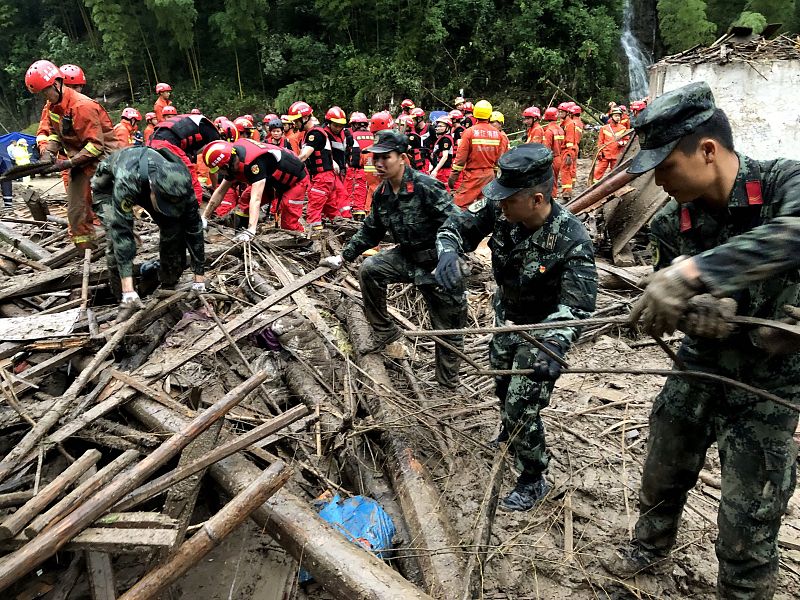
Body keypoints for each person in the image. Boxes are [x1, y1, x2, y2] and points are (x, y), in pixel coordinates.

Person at [603, 81, 800, 600]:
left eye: (665, 166)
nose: (659, 182)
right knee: (662, 471)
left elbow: (795, 233)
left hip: (768, 387)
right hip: (699, 368)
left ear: (707, 150)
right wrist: (690, 310)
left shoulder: (783, 181)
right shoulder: (673, 220)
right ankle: (649, 546)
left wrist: (697, 274)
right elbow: (668, 291)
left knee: (749, 522)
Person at [435, 143, 597, 510]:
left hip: (543, 331)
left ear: (537, 199)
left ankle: (532, 476)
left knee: (522, 402)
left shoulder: (572, 239)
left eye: (509, 201)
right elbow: (457, 225)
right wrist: (447, 249)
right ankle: (511, 431)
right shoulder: (501, 209)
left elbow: (578, 307)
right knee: (503, 386)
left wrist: (554, 344)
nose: (500, 206)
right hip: (505, 317)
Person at [320, 130, 467, 388]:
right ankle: (385, 331)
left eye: (385, 157)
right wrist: (343, 257)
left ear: (402, 157)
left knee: (448, 330)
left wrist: (451, 254)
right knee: (371, 268)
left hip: (439, 262)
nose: (378, 164)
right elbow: (371, 230)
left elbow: (458, 223)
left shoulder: (425, 186)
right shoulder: (382, 193)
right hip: (409, 257)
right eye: (375, 158)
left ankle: (447, 385)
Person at [90, 145, 205, 314]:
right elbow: (122, 233)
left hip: (151, 183)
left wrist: (199, 279)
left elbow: (194, 228)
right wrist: (129, 292)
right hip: (108, 187)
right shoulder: (127, 181)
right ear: (152, 190)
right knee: (116, 240)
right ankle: (123, 295)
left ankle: (168, 283)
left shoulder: (183, 183)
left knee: (172, 228)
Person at [26, 60, 120, 249]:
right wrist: (48, 154)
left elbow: (95, 146)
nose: (45, 96)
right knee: (76, 211)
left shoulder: (82, 106)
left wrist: (66, 164)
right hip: (79, 161)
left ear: (57, 83)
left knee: (107, 208)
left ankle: (126, 246)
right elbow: (55, 133)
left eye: (46, 91)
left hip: (104, 160)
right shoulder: (53, 106)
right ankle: (86, 252)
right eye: (41, 94)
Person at [201, 138, 309, 234]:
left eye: (221, 169)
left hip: (296, 181)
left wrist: (251, 230)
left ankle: (305, 242)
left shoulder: (253, 162)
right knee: (245, 202)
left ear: (227, 164)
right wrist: (204, 217)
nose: (221, 173)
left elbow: (256, 199)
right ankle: (240, 234)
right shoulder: (233, 161)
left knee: (288, 225)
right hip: (272, 180)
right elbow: (220, 191)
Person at [292, 102, 352, 230]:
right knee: (330, 208)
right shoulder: (314, 133)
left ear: (304, 118)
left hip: (322, 178)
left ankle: (315, 235)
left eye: (296, 121)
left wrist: (289, 166)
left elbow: (303, 156)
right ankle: (345, 229)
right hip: (324, 177)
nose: (294, 124)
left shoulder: (315, 134)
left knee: (314, 208)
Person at [148, 112, 221, 205]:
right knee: (191, 181)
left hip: (151, 143)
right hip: (166, 144)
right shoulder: (214, 137)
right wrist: (215, 187)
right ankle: (195, 212)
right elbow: (213, 169)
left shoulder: (199, 126)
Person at [449, 100, 508, 209]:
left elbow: (460, 159)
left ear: (475, 113)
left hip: (473, 175)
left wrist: (453, 176)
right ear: (489, 115)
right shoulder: (498, 134)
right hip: (489, 175)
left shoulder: (470, 132)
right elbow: (499, 160)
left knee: (459, 206)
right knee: (485, 207)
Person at [347, 112, 373, 220]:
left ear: (354, 125)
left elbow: (351, 154)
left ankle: (358, 212)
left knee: (357, 190)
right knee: (371, 190)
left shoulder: (353, 136)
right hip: (373, 168)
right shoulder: (373, 135)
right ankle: (369, 211)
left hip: (359, 168)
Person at [592, 107, 627, 183]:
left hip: (616, 154)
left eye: (619, 116)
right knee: (598, 171)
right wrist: (600, 152)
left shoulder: (623, 128)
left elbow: (626, 140)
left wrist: (622, 143)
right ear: (611, 117)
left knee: (615, 173)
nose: (617, 118)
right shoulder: (604, 128)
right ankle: (593, 186)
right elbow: (600, 142)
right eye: (616, 116)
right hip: (605, 154)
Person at [429, 116, 455, 189]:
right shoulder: (442, 138)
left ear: (447, 128)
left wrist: (435, 170)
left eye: (440, 126)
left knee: (442, 190)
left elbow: (445, 156)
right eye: (437, 126)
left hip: (443, 171)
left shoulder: (445, 140)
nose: (437, 128)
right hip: (440, 169)